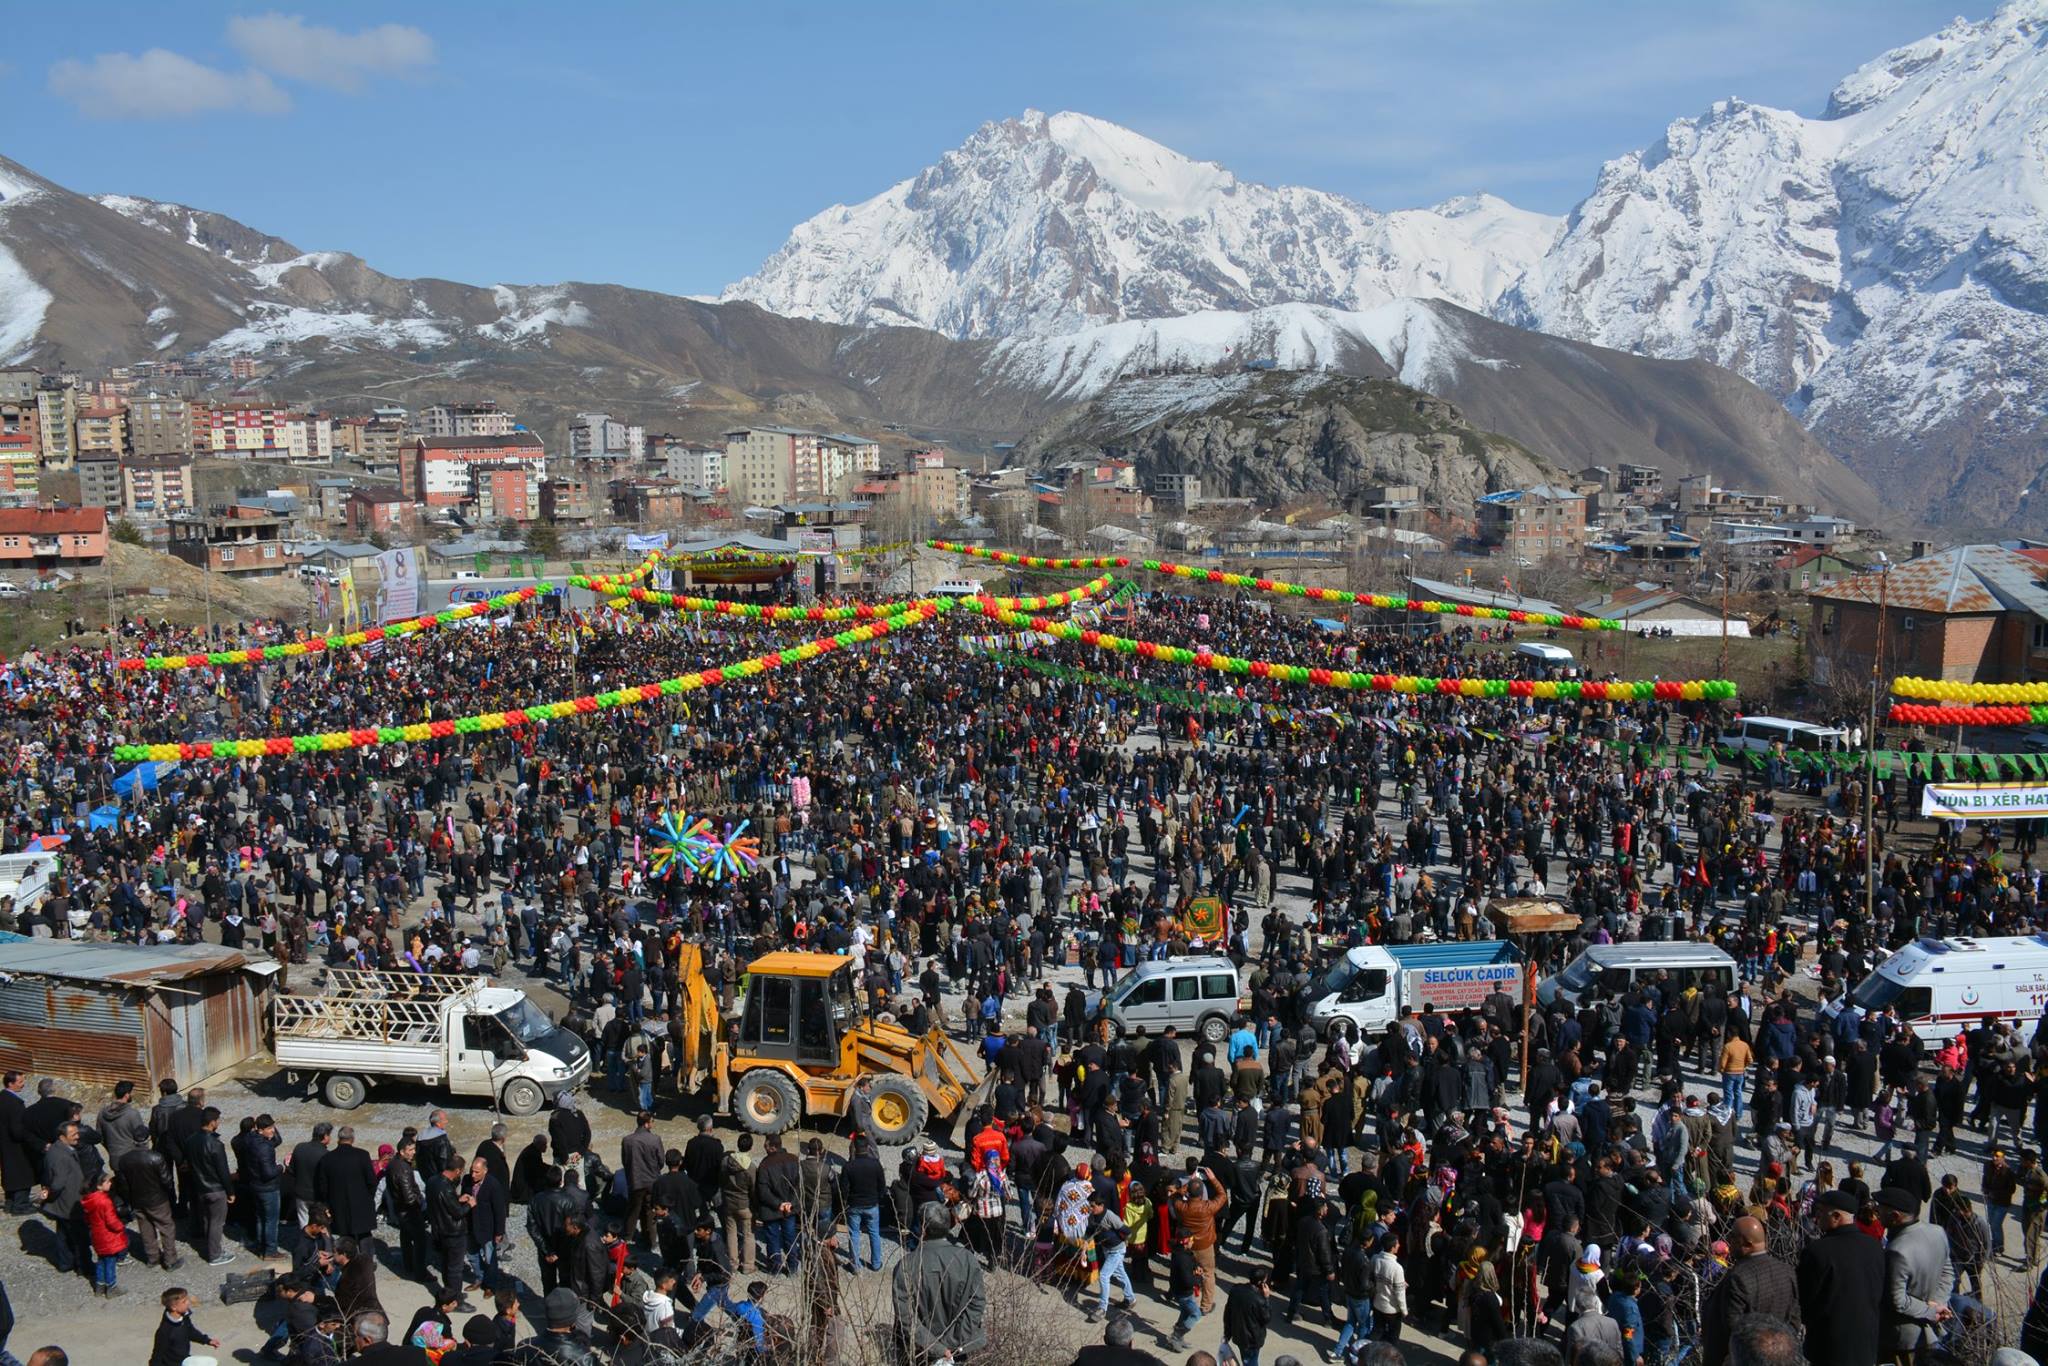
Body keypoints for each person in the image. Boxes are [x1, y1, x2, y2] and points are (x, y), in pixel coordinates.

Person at [1795, 1190, 1884, 1366]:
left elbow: (1804, 1301)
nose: (1815, 1217)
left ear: (1836, 1216)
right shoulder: (1874, 1246)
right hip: (1867, 1343)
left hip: (1829, 1347)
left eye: (1820, 1212)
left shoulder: (1818, 1252)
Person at [891, 1203, 987, 1366]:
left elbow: (906, 1317)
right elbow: (976, 1305)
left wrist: (937, 1347)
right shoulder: (967, 1259)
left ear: (922, 1228)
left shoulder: (907, 1265)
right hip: (958, 1347)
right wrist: (950, 1342)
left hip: (919, 1348)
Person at [1704, 1216, 1800, 1366]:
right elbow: (1794, 1319)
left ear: (1747, 1244)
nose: (1729, 1242)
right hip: (1779, 1357)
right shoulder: (1786, 1271)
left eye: (1733, 1237)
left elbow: (1732, 1328)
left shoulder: (1738, 1277)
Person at [1876, 1186, 1952, 1365]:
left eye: (1881, 1209)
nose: (1877, 1212)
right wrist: (1939, 1303)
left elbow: (1897, 1301)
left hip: (1902, 1338)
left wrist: (1931, 1311)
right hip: (1930, 1332)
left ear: (1895, 1216)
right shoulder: (1937, 1232)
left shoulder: (1897, 1250)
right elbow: (1948, 1272)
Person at [148, 1287, 220, 1366]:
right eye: (184, 1301)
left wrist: (207, 1340)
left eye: (187, 1300)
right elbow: (157, 1355)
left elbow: (191, 1332)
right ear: (174, 1307)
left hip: (184, 1359)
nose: (188, 1303)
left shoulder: (184, 1317)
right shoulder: (164, 1331)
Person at [1223, 1266, 1273, 1366]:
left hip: (1239, 1335)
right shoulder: (1259, 1299)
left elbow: (1227, 1313)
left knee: (1247, 1359)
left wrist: (1227, 1333)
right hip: (1251, 1340)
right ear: (1260, 1282)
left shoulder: (1235, 1289)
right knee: (1250, 1362)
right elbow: (1266, 1318)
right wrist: (1267, 1299)